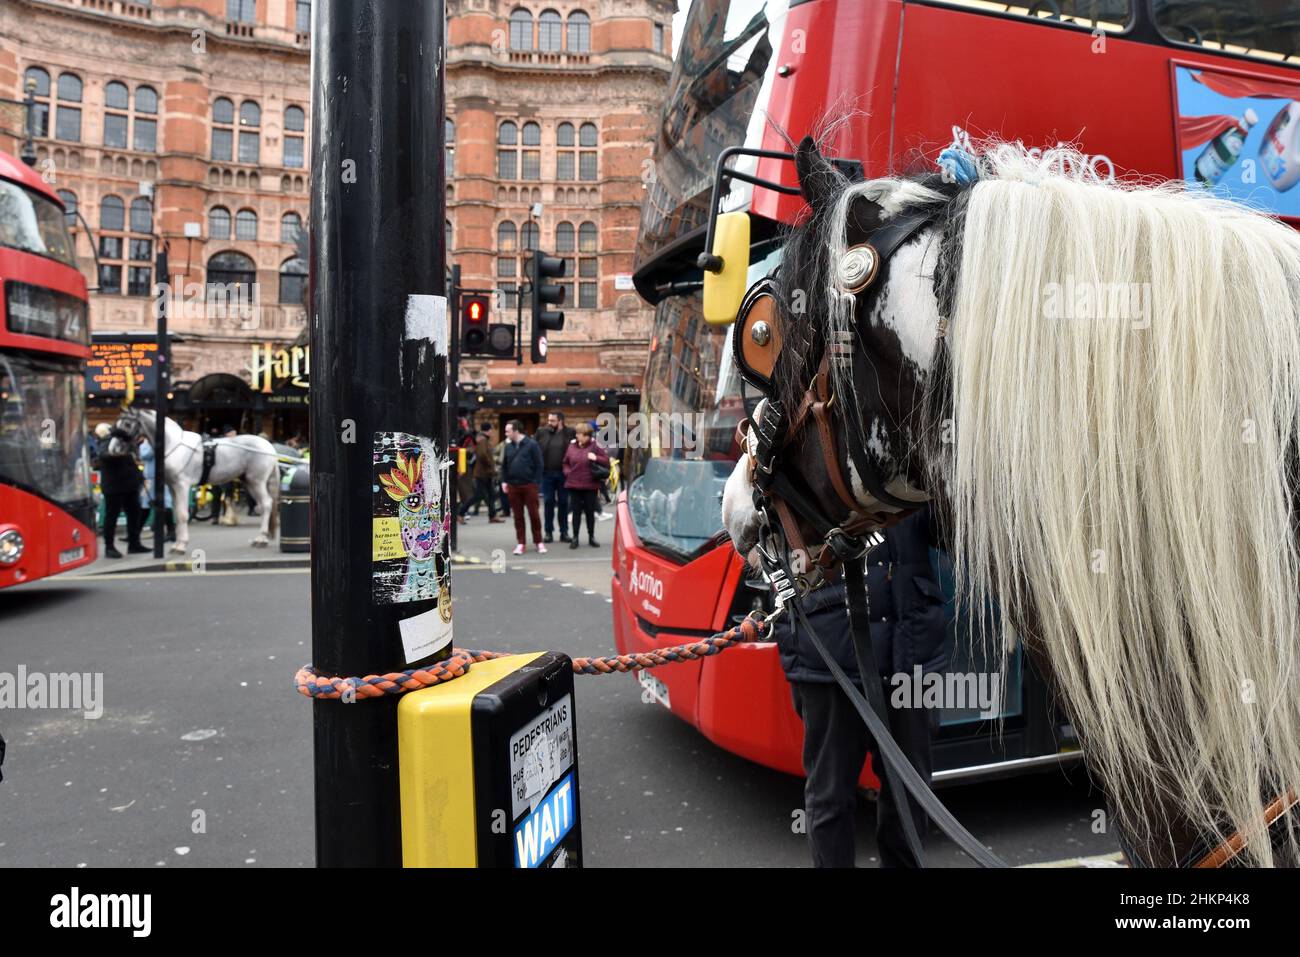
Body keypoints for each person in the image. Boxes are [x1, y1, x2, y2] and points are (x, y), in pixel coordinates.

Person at [770, 506, 949, 868]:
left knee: (911, 795)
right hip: (832, 655)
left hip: (907, 653)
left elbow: (951, 529)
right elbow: (766, 541)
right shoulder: (799, 455)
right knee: (831, 796)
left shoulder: (912, 458)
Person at [96, 423, 148, 558]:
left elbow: (133, 459)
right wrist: (119, 454)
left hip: (129, 484)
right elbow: (104, 456)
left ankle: (134, 544)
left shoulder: (125, 441)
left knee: (134, 514)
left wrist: (138, 477)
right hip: (114, 486)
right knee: (111, 516)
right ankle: (109, 547)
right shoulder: (108, 441)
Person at [501, 419, 545, 555]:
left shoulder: (532, 445)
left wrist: (536, 483)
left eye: (508, 431)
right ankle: (521, 543)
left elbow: (539, 464)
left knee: (534, 514)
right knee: (518, 516)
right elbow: (504, 466)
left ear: (516, 431)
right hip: (513, 485)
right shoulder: (508, 446)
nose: (505, 433)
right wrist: (504, 481)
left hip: (529, 485)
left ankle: (539, 542)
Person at [562, 422, 609, 548]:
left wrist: (596, 458)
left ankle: (591, 536)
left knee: (589, 512)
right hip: (574, 484)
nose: (577, 436)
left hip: (590, 485)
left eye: (579, 434)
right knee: (576, 512)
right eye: (576, 433)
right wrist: (567, 472)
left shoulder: (595, 446)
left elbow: (606, 461)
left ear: (587, 436)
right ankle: (575, 537)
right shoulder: (572, 446)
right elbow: (565, 462)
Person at [535, 411, 575, 543]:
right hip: (547, 474)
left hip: (564, 474)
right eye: (549, 420)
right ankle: (548, 532)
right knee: (548, 502)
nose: (549, 423)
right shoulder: (542, 432)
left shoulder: (570, 433)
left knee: (564, 502)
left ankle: (564, 532)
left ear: (560, 422)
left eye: (552, 421)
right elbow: (535, 449)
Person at [459, 423, 504, 523]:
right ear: (488, 430)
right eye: (491, 430)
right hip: (482, 473)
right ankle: (460, 513)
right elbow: (482, 455)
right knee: (478, 495)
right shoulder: (483, 440)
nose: (492, 432)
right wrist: (490, 466)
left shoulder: (482, 439)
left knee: (491, 494)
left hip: (485, 473)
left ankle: (492, 516)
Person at [138, 436, 175, 543]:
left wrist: (152, 445)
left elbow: (146, 455)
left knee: (164, 503)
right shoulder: (147, 443)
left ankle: (170, 532)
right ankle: (136, 532)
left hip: (159, 475)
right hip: (150, 477)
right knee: (146, 503)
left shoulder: (150, 444)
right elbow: (144, 456)